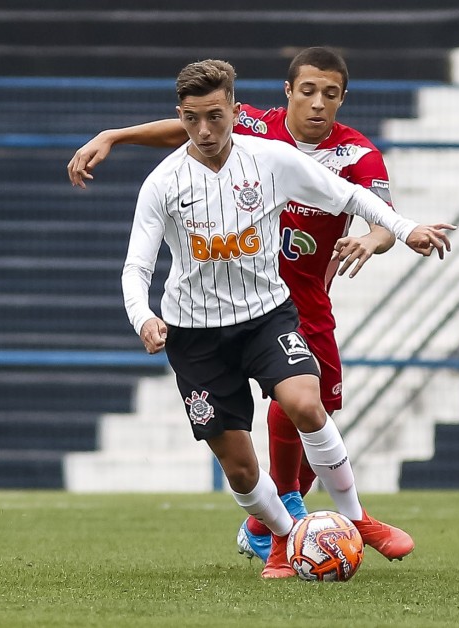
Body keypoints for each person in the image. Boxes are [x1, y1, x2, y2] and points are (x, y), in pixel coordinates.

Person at [68, 48, 416, 563]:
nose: (205, 130)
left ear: (234, 112)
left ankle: (351, 518)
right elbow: (137, 265)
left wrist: (397, 233)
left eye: (330, 93)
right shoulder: (173, 176)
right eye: (308, 91)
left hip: (277, 308)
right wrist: (143, 316)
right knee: (240, 467)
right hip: (198, 331)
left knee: (306, 404)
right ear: (286, 92)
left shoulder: (324, 155)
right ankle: (280, 531)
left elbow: (361, 202)